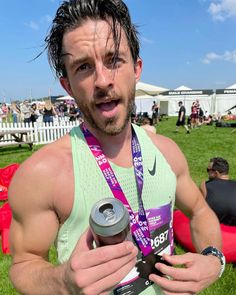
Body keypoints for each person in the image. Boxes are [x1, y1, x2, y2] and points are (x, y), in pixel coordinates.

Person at [9, 1, 225, 294]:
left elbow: (200, 210)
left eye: (114, 60)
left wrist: (213, 258)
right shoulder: (42, 174)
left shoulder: (167, 151)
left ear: (136, 69)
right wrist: (61, 282)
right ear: (68, 85)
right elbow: (24, 263)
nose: (102, 80)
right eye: (83, 66)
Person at [200, 157, 236, 226]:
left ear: (216, 173)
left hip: (214, 229)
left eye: (208, 170)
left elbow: (197, 210)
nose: (207, 172)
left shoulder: (204, 186)